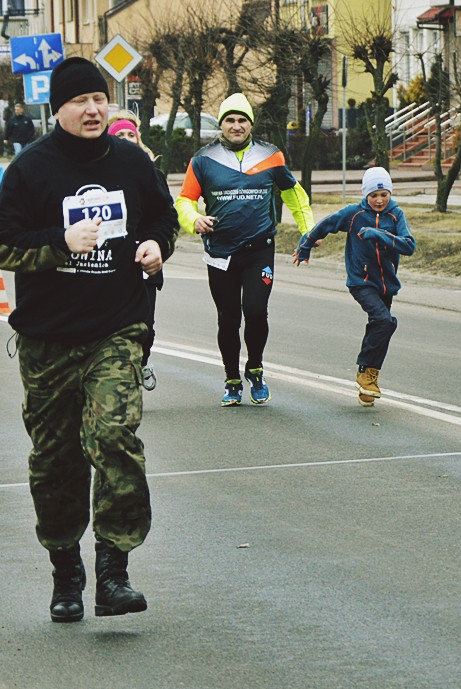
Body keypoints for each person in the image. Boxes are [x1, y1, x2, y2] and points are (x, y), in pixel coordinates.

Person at [0, 57, 177, 621]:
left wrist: (156, 245)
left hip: (115, 329)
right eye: (80, 101)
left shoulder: (131, 162)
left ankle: (113, 570)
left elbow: (163, 217)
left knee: (113, 436)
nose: (94, 108)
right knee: (56, 461)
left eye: (99, 98)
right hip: (48, 340)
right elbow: (5, 245)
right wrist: (60, 241)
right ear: (59, 109)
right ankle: (65, 572)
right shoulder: (30, 170)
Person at [175, 93, 314, 406]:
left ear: (250, 123)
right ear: (221, 124)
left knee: (255, 311)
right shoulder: (202, 159)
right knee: (228, 318)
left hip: (259, 250)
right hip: (220, 253)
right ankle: (231, 379)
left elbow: (294, 195)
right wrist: (194, 219)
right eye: (230, 120)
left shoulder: (271, 155)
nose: (236, 126)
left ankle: (255, 367)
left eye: (242, 120)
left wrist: (308, 232)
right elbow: (184, 200)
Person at [293, 167, 416, 406]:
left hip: (386, 284)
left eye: (384, 195)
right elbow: (325, 225)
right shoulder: (354, 213)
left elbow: (409, 246)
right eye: (374, 195)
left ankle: (367, 381)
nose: (379, 200)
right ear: (365, 194)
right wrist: (305, 246)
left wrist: (378, 234)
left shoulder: (396, 215)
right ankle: (366, 372)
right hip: (361, 281)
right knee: (384, 321)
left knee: (379, 326)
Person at [109, 110, 174, 391]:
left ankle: (143, 360)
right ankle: (121, 380)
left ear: (138, 140)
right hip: (111, 265)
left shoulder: (150, 173)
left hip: (144, 262)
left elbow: (165, 215)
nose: (125, 139)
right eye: (119, 135)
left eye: (130, 135)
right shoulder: (101, 173)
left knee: (145, 327)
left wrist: (156, 243)